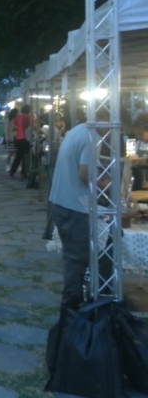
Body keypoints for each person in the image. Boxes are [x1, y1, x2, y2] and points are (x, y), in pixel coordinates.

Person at [49, 112, 110, 309]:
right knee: (77, 259)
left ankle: (72, 304)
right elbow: (85, 175)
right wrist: (105, 185)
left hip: (62, 201)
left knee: (72, 257)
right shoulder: (92, 137)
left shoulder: (77, 131)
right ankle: (71, 307)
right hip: (74, 205)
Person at [9, 104, 33, 178]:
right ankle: (23, 172)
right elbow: (28, 126)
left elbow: (14, 127)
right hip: (25, 137)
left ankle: (12, 170)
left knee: (18, 155)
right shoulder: (27, 117)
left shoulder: (17, 117)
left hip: (17, 137)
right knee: (25, 155)